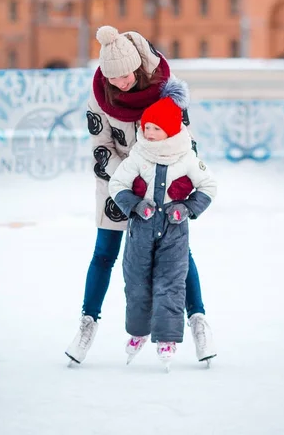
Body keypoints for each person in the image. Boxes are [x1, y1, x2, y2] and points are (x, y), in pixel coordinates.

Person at [65, 25, 215, 364]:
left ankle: (199, 322)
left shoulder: (166, 88)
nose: (120, 83)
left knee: (179, 257)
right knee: (104, 253)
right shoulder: (100, 95)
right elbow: (100, 145)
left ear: (138, 67)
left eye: (126, 76)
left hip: (163, 184)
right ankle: (87, 323)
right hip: (117, 183)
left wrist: (164, 180)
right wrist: (131, 178)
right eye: (113, 78)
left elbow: (184, 139)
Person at [108, 79, 217, 369]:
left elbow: (208, 186)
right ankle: (138, 332)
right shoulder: (139, 154)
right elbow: (117, 183)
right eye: (147, 128)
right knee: (136, 282)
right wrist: (134, 204)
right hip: (141, 230)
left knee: (170, 284)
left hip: (174, 232)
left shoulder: (186, 156)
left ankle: (167, 338)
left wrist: (187, 208)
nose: (150, 133)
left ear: (169, 129)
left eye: (156, 128)